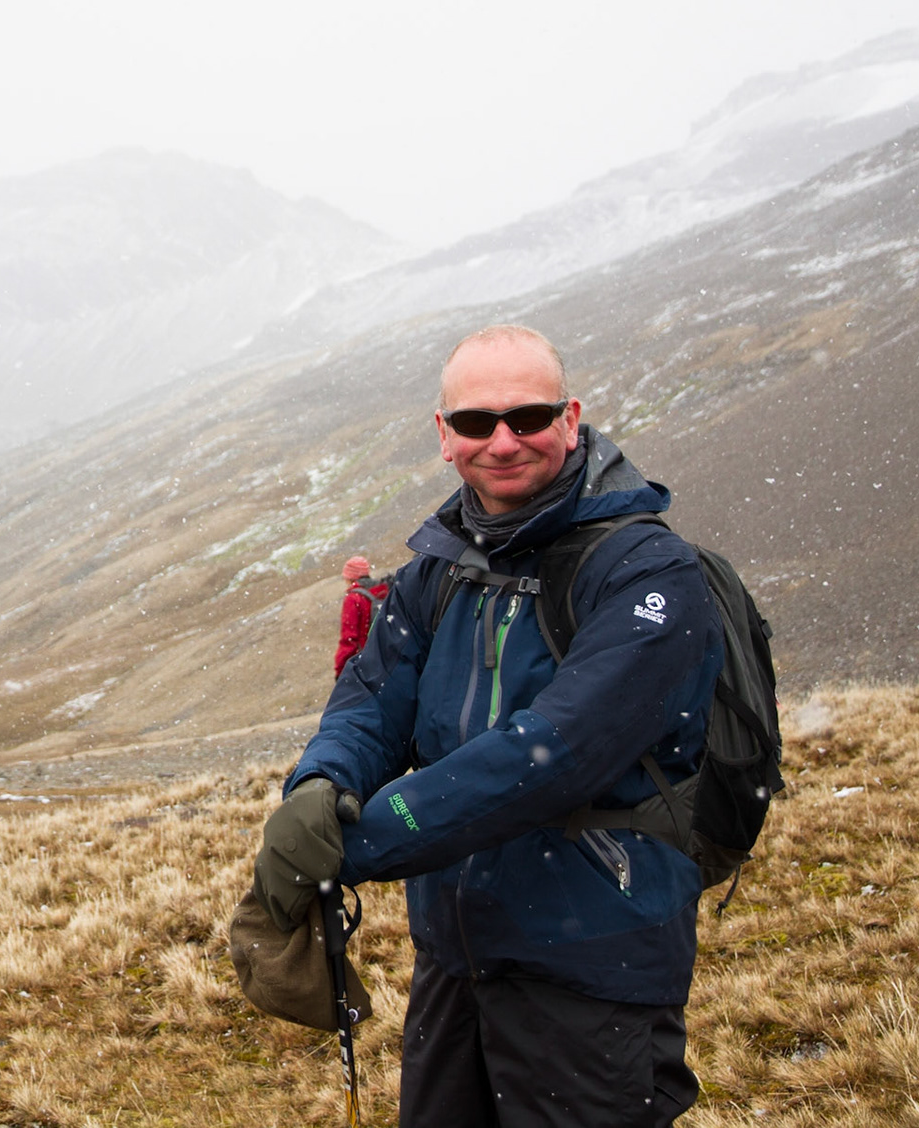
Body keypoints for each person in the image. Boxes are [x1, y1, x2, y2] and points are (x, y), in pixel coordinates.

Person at [253, 324, 722, 1128]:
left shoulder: (649, 574)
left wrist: (355, 847)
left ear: (571, 419)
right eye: (475, 423)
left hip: (589, 964)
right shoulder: (442, 563)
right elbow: (373, 698)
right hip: (455, 955)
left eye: (528, 416)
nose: (502, 442)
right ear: (444, 437)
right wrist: (322, 788)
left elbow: (553, 756)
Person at [333, 555, 388, 676]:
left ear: (350, 577)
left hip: (367, 664)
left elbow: (349, 639)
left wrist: (340, 670)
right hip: (387, 657)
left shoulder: (353, 599)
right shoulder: (382, 591)